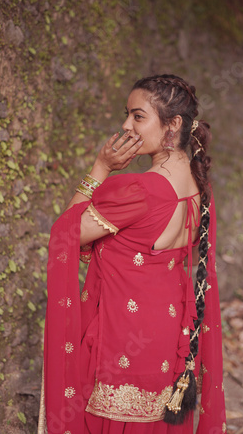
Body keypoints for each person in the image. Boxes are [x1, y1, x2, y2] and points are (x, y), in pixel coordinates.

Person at [38, 74, 226, 434]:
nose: (126, 125)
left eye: (138, 116)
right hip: (171, 333)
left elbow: (67, 232)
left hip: (123, 336)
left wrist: (100, 168)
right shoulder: (199, 187)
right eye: (127, 114)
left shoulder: (141, 189)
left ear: (173, 125)